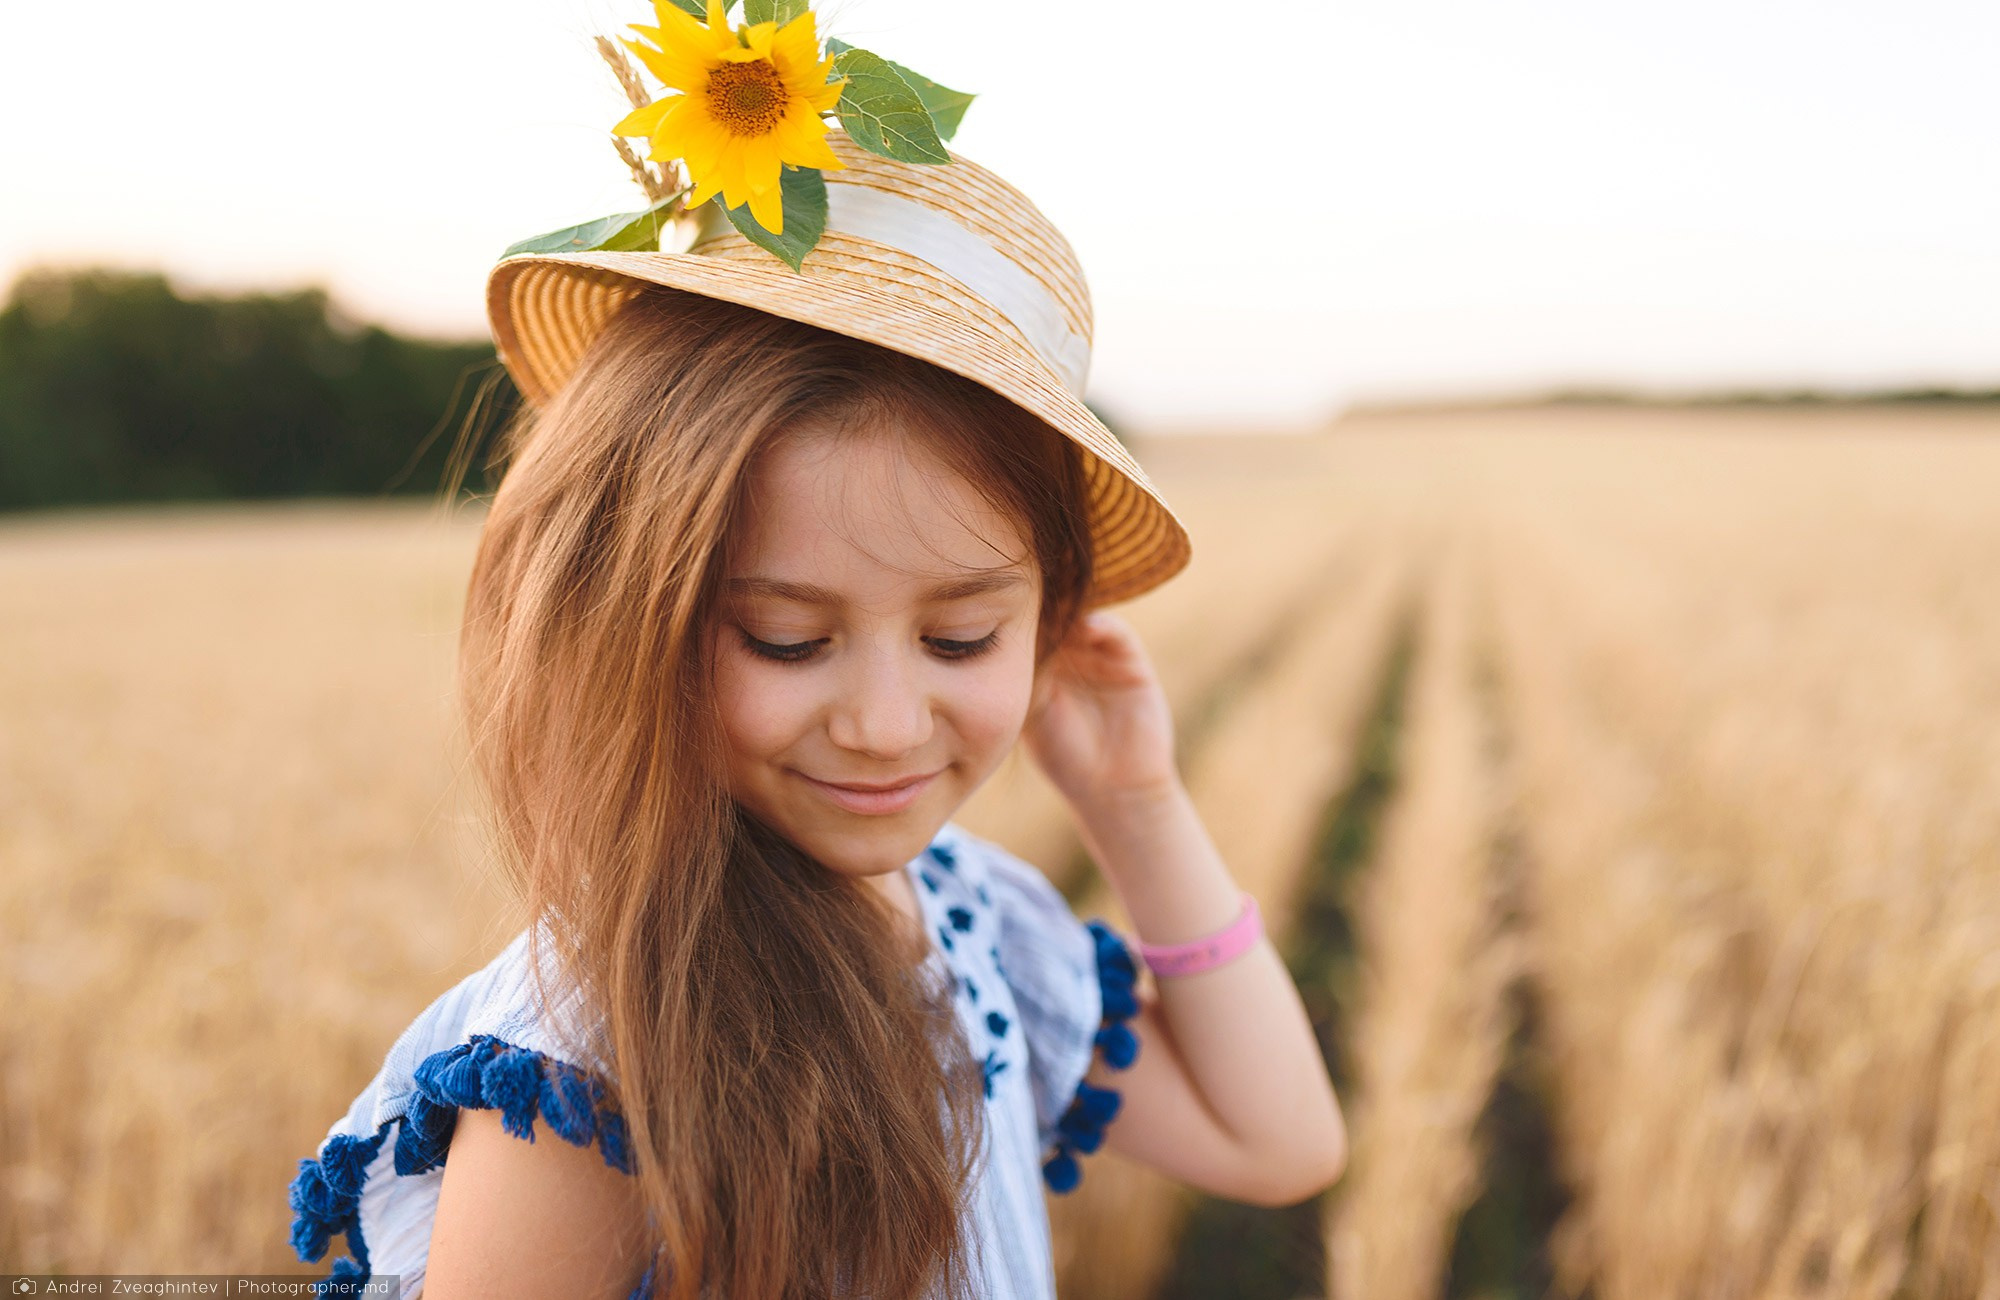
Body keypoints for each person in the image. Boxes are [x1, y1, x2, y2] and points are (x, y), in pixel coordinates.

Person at [285, 41, 1347, 1300]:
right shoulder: (594, 1072)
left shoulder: (972, 924)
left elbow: (1278, 1141)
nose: (889, 724)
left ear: (1050, 621)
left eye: (962, 638)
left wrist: (1135, 801)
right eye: (786, 639)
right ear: (627, 620)